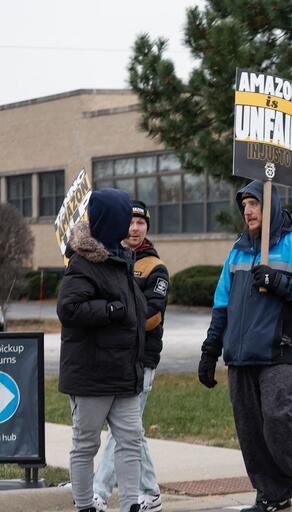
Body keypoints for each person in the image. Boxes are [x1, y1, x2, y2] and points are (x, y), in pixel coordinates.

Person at [197, 181, 292, 512]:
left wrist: (278, 281)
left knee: (276, 416)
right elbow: (222, 305)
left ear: (269, 205)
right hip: (240, 357)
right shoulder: (239, 249)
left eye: (254, 203)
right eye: (244, 205)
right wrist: (210, 351)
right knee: (251, 429)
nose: (247, 210)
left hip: (281, 352)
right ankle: (273, 493)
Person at [57, 188, 146, 512]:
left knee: (131, 439)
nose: (131, 223)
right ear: (113, 220)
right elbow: (69, 309)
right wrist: (110, 310)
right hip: (92, 375)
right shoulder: (82, 263)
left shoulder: (120, 258)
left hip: (123, 373)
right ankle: (85, 505)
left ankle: (131, 504)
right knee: (86, 444)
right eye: (126, 216)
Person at [93, 201, 168, 512]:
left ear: (147, 228)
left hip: (142, 358)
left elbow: (153, 316)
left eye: (141, 223)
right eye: (131, 222)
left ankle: (97, 491)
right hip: (116, 357)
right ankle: (150, 492)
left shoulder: (154, 267)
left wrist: (118, 314)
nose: (135, 228)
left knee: (122, 429)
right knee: (130, 428)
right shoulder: (111, 261)